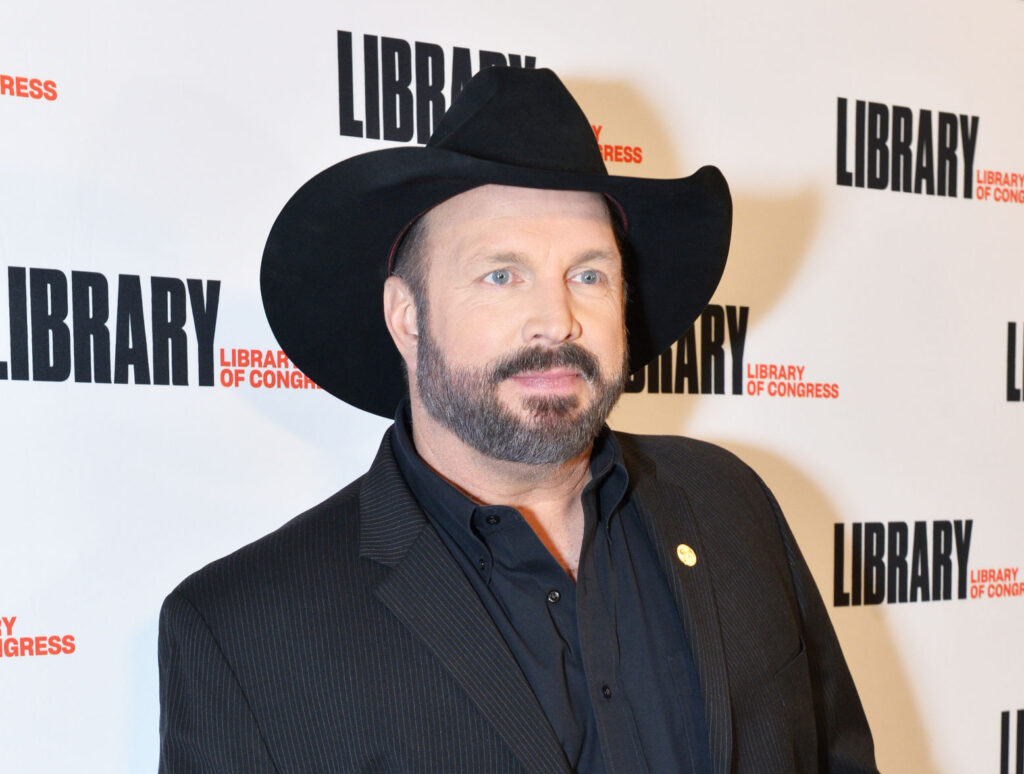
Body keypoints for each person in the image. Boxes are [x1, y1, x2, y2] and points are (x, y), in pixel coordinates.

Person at [158, 66, 878, 773]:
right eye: (502, 275)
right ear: (408, 318)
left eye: (588, 274)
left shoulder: (732, 506)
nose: (556, 319)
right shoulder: (243, 634)